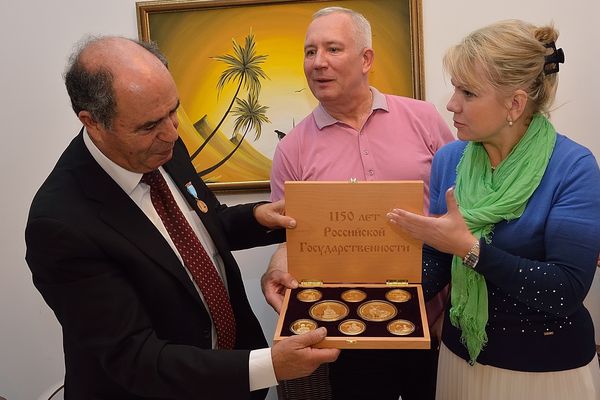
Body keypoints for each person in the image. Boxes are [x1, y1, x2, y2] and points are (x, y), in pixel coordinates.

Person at [24, 36, 339, 400]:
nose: (172, 133)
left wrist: (258, 217)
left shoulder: (162, 144)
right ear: (92, 122)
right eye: (149, 126)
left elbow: (198, 226)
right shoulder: (60, 225)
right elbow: (136, 359)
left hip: (228, 378)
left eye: (174, 111)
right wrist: (270, 366)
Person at [387, 20, 600, 400]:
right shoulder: (449, 160)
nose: (451, 104)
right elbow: (437, 261)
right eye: (455, 88)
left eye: (467, 92)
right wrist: (368, 283)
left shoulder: (573, 167)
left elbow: (565, 290)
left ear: (514, 103)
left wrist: (470, 249)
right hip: (461, 360)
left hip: (547, 371)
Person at [261, 7, 454, 400]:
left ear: (366, 59)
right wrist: (277, 263)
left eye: (333, 49)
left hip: (434, 320)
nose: (318, 62)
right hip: (349, 331)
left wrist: (451, 307)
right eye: (310, 51)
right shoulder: (291, 150)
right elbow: (292, 239)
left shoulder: (423, 119)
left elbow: (459, 211)